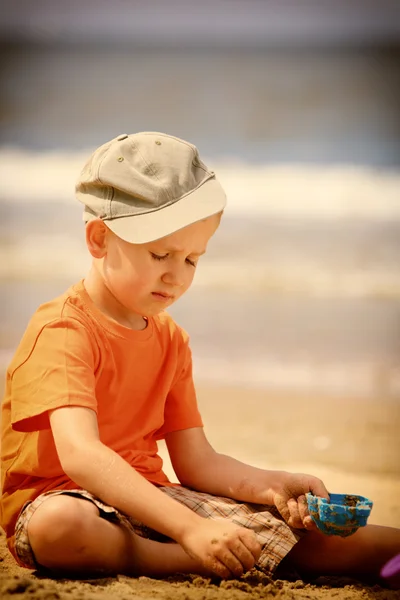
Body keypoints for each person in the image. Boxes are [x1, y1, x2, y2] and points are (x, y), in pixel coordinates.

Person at [1, 132, 399, 583]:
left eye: (192, 259)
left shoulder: (170, 339)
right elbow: (82, 457)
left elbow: (197, 462)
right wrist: (192, 531)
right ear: (99, 239)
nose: (176, 275)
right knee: (61, 530)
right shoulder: (64, 329)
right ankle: (182, 561)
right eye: (160, 254)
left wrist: (273, 485)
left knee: (319, 543)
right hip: (64, 499)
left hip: (152, 498)